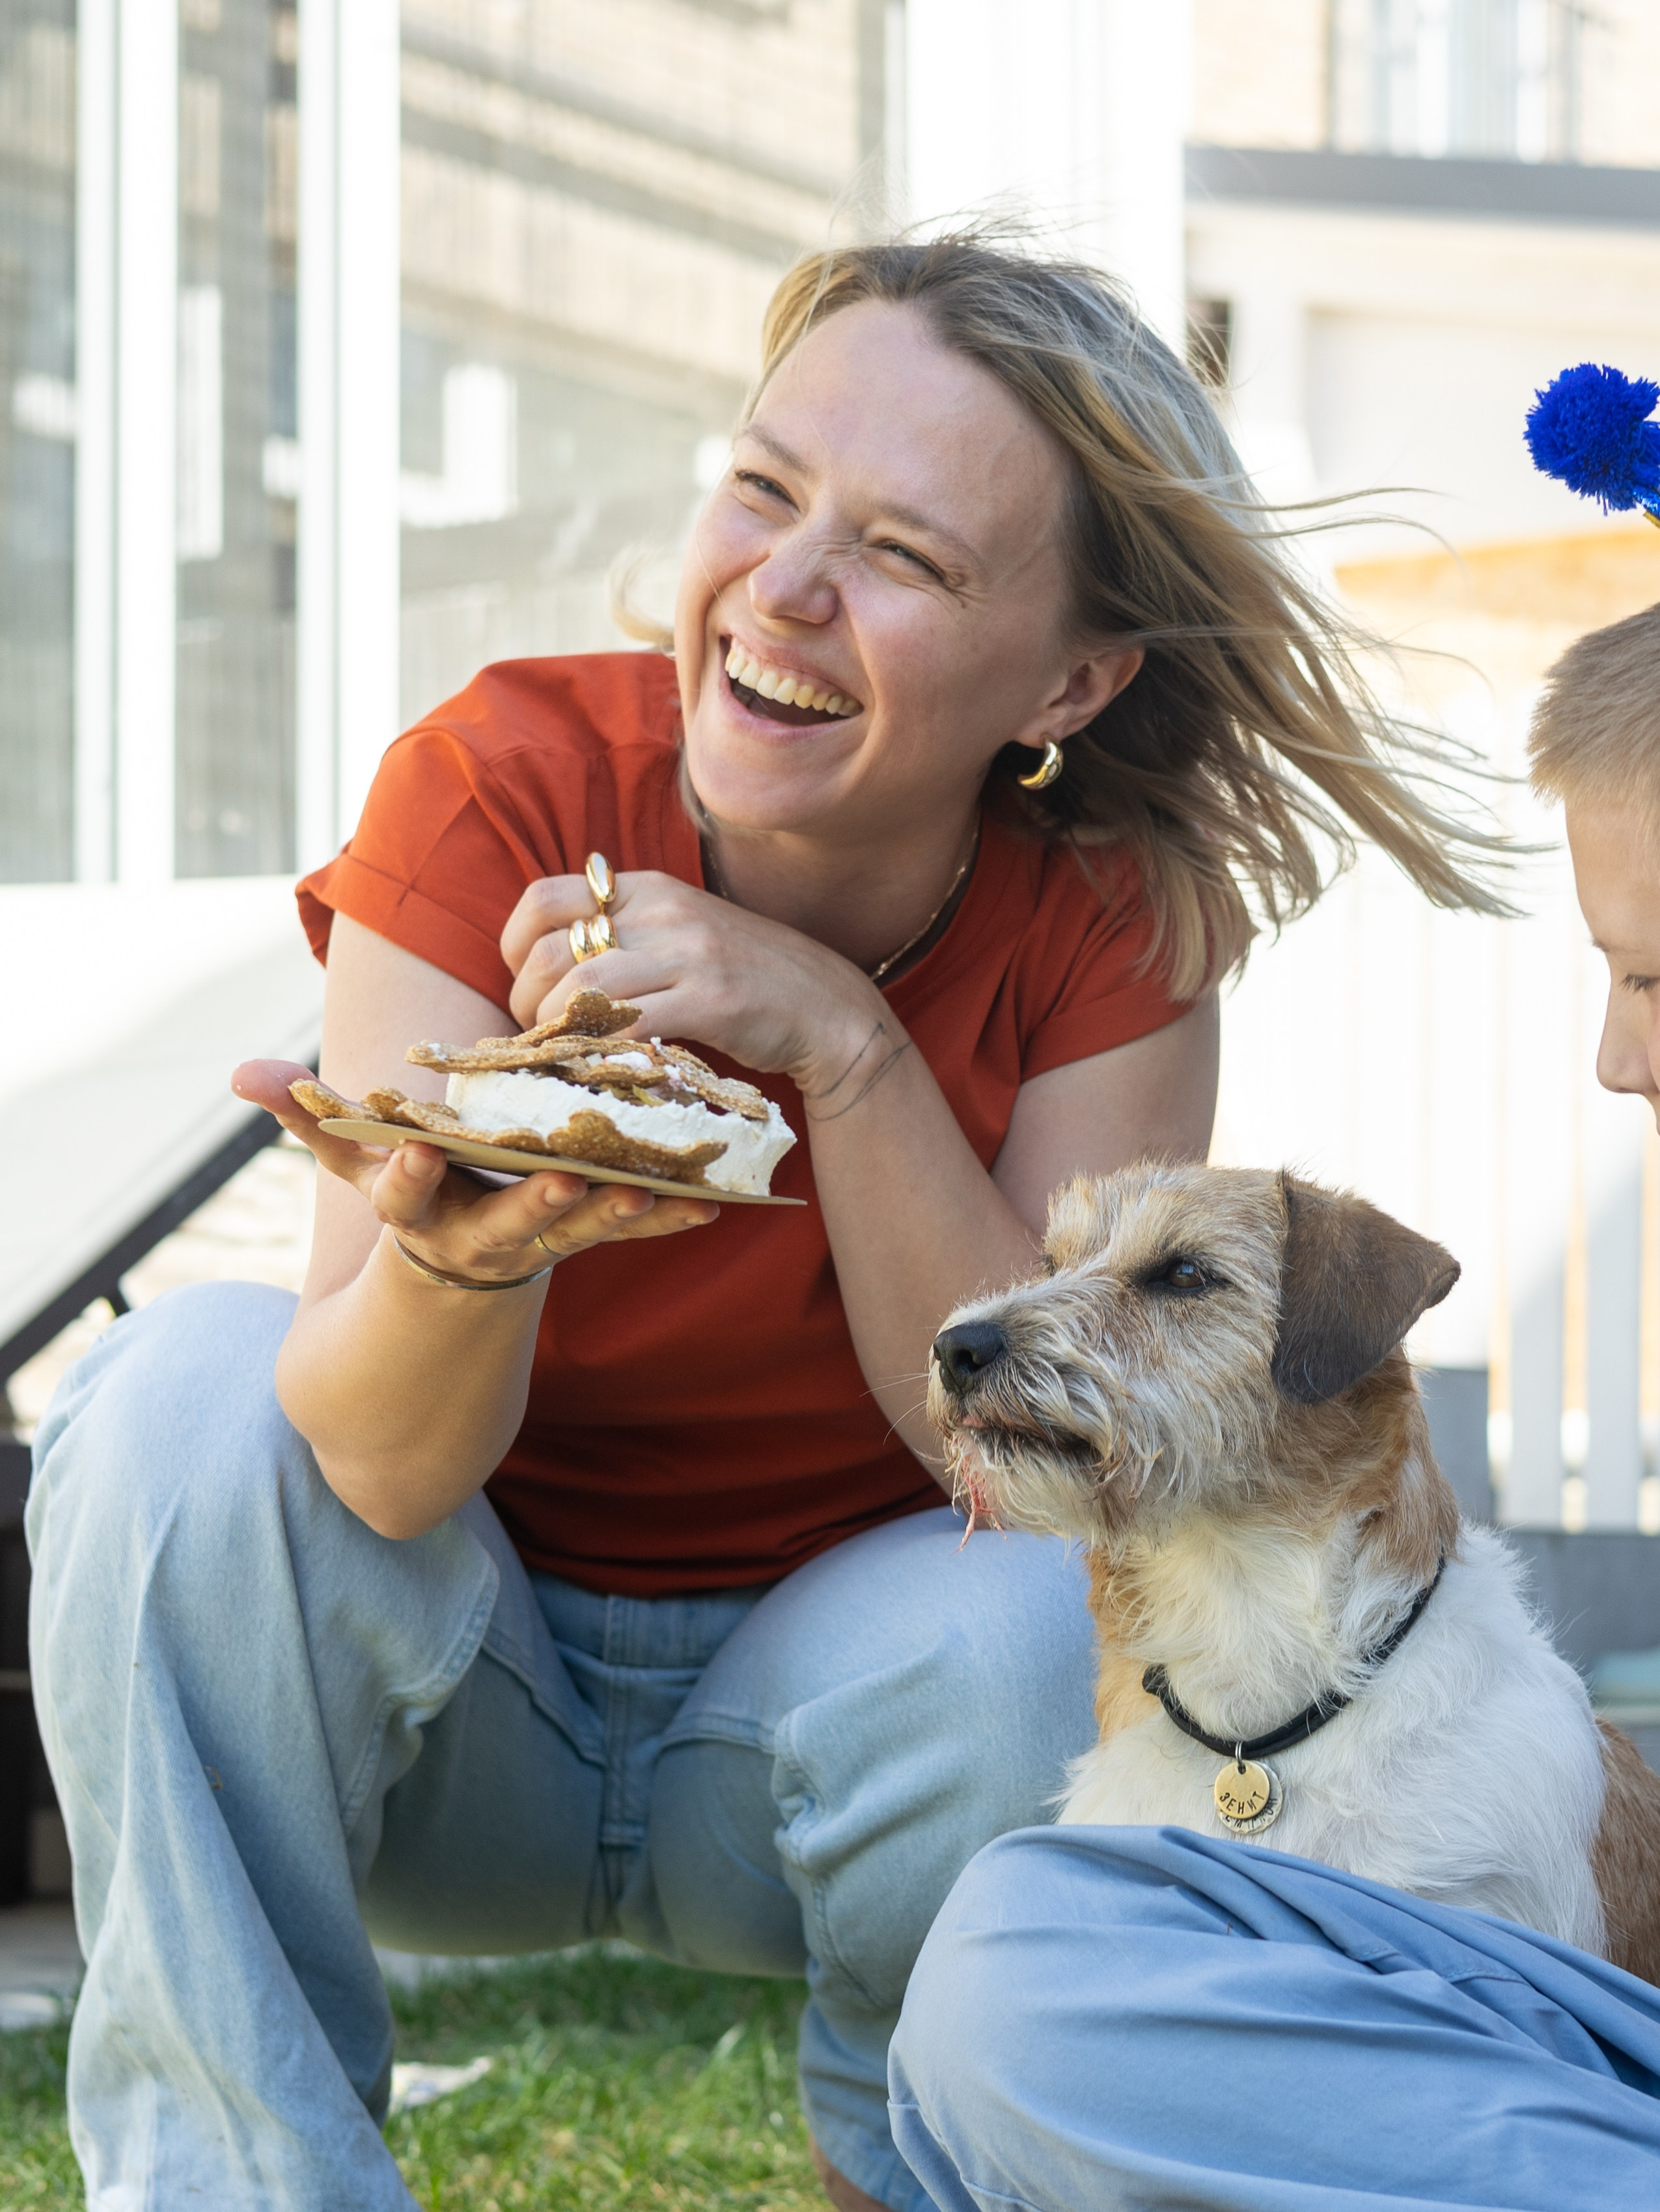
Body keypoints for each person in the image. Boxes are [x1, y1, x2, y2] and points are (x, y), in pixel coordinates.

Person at [27, 234, 1492, 2212]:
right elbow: (372, 1469)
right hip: (449, 1706)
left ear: (1069, 679)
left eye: (903, 556)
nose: (783, 588)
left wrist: (841, 1041)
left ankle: (912, 2144)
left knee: (1039, 1605)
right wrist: (462, 1252)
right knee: (180, 1395)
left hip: (840, 1740)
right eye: (763, 486)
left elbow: (1029, 1452)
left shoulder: (1111, 919)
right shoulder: (503, 785)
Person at [886, 600, 1660, 2212]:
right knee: (998, 1972)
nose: (1616, 1056)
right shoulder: (1129, 1776)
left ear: (1345, 1354)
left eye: (1178, 1284)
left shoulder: (1497, 1779)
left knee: (1008, 1992)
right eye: (1067, 1263)